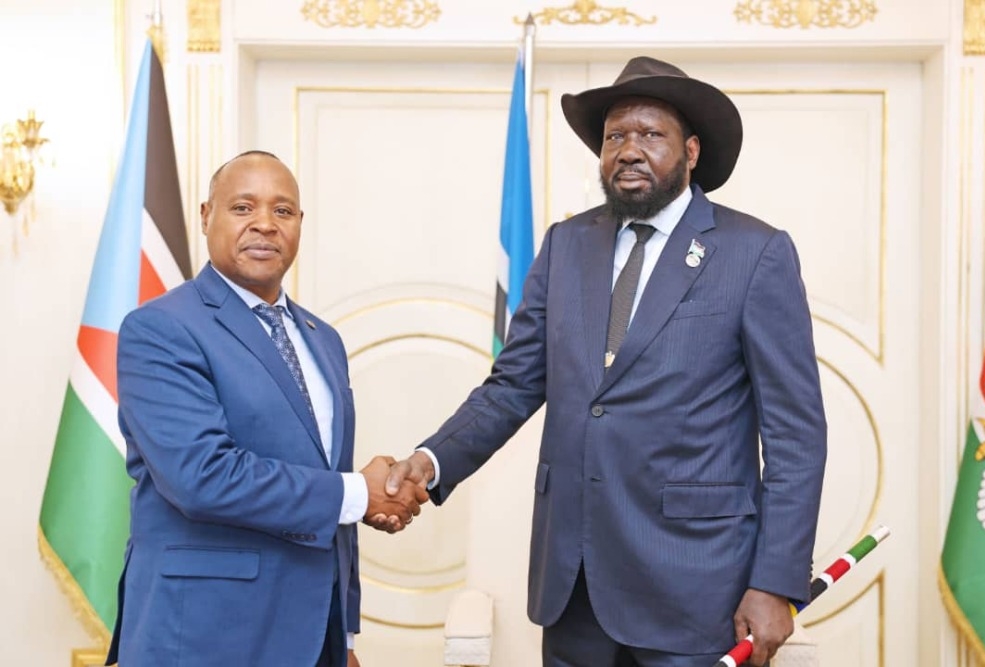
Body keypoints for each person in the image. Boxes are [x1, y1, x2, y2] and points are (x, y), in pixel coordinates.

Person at [381, 57, 827, 667]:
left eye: (650, 135)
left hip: (697, 590)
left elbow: (795, 433)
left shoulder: (755, 254)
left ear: (691, 152)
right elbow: (513, 384)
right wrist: (429, 462)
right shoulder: (566, 245)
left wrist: (776, 581)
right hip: (574, 586)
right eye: (615, 136)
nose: (628, 150)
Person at [105, 151, 427, 667]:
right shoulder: (160, 329)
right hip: (203, 634)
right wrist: (356, 492)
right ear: (207, 215)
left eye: (283, 211)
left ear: (300, 225)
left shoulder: (326, 340)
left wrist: (341, 635)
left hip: (312, 635)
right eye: (242, 207)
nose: (264, 224)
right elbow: (201, 476)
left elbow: (319, 476)